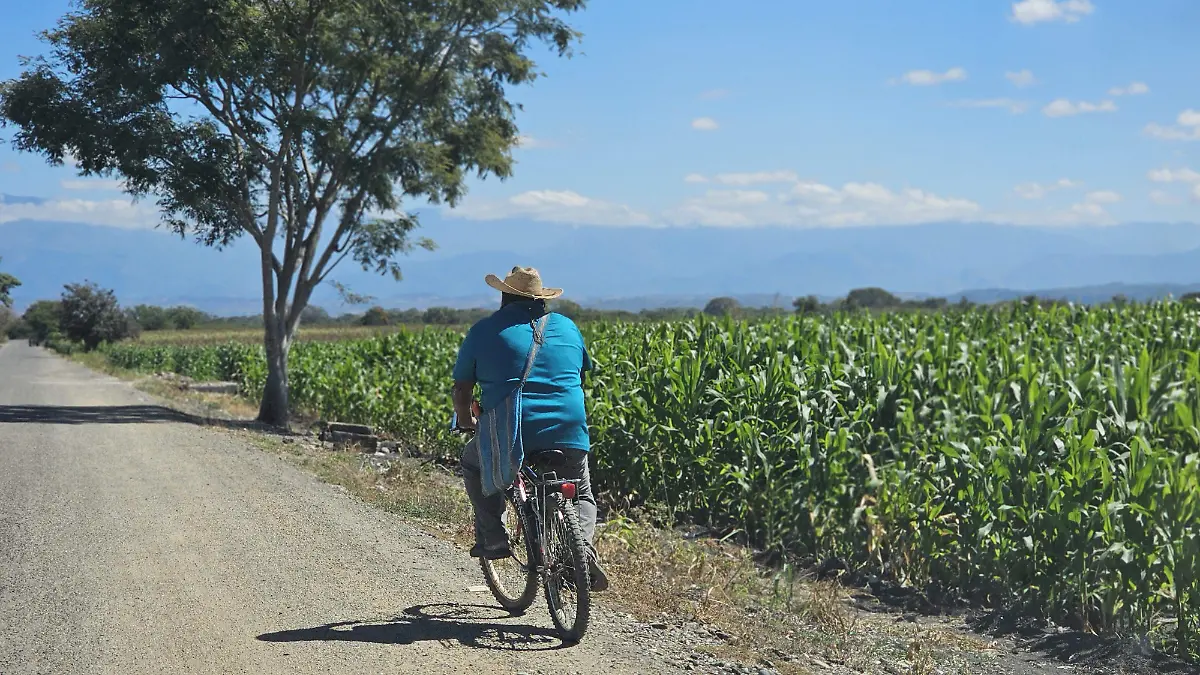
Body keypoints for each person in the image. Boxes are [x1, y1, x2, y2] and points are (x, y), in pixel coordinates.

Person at [452, 266, 609, 592]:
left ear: (504, 297)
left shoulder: (484, 331)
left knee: (473, 463)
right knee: (581, 493)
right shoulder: (567, 327)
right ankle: (582, 553)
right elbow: (580, 376)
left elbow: (462, 391)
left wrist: (466, 422)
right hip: (569, 427)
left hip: (511, 429)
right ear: (541, 300)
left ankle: (494, 539)